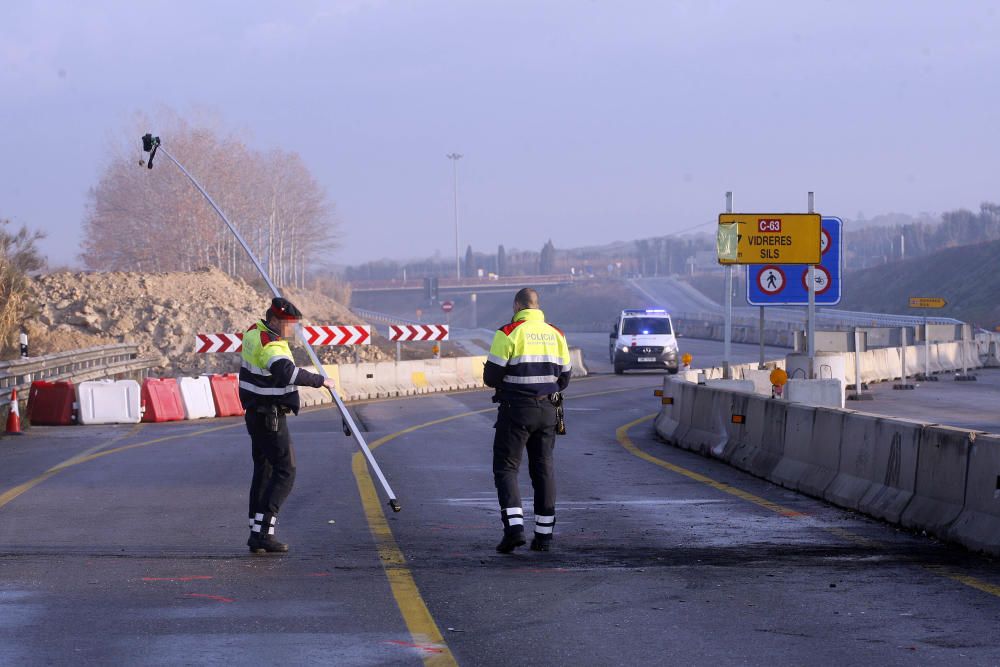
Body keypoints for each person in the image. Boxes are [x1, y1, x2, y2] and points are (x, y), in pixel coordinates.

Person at [239, 297, 337, 554]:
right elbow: (286, 372)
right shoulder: (271, 344)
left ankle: (256, 531)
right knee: (285, 471)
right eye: (289, 325)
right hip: (269, 417)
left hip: (255, 413)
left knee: (265, 470)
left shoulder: (254, 331)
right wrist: (320, 381)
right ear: (274, 321)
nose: (293, 330)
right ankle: (265, 532)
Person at [483, 288, 572, 554]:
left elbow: (492, 377)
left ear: (517, 305)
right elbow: (565, 378)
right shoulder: (557, 334)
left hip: (515, 410)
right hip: (547, 411)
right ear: (537, 306)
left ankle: (514, 530)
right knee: (543, 470)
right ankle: (544, 536)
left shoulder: (508, 333)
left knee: (507, 468)